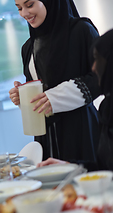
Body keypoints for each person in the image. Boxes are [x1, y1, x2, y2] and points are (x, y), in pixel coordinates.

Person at [9, 0, 100, 170]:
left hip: (80, 131)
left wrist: (55, 97)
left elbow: (100, 78)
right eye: (19, 8)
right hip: (45, 137)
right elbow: (40, 90)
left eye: (29, 5)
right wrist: (23, 95)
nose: (24, 14)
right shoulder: (28, 47)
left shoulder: (81, 31)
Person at [38, 29, 113, 171]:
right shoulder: (107, 107)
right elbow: (104, 168)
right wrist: (70, 167)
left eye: (99, 59)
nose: (94, 67)